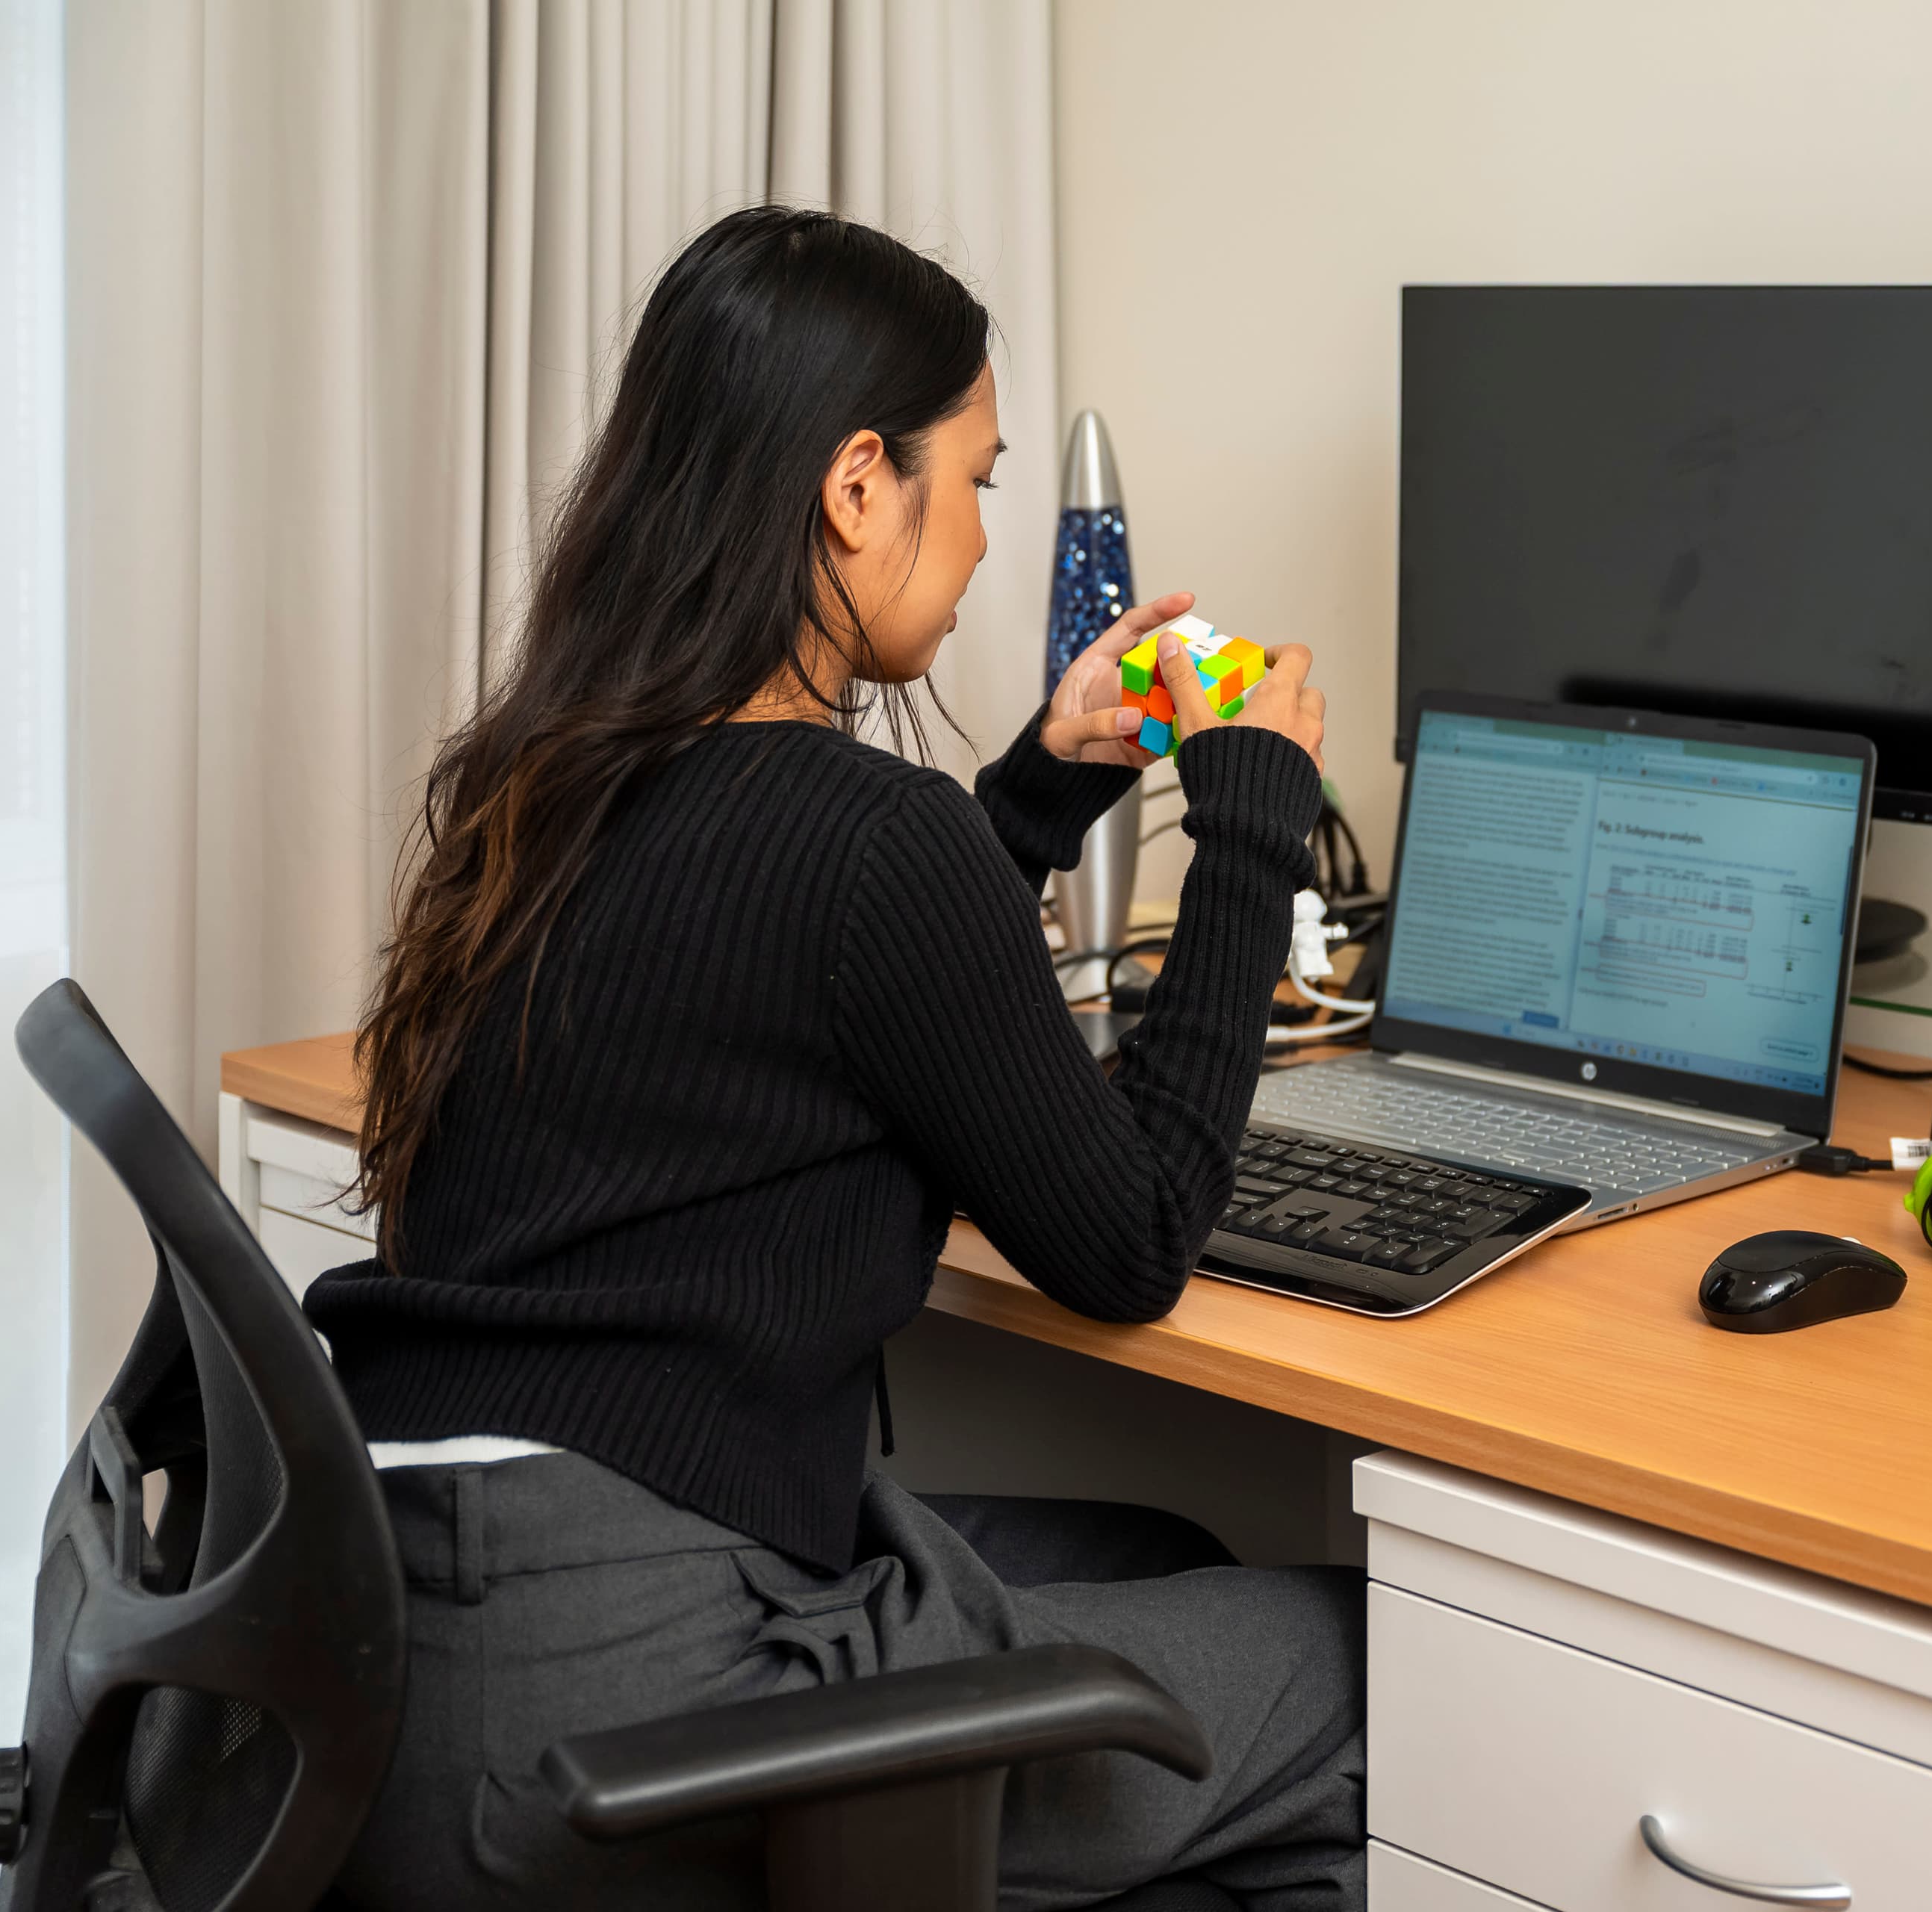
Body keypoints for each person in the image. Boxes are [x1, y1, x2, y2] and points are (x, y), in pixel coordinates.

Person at [302, 206, 1357, 1911]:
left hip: (392, 1629)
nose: (984, 545)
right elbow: (1136, 1240)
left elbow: (799, 969)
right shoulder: (868, 838)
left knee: (1162, 1558)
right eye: (980, 482)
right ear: (860, 486)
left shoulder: (547, 771)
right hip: (612, 1707)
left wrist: (1036, 786)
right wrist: (1246, 824)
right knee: (1364, 1674)